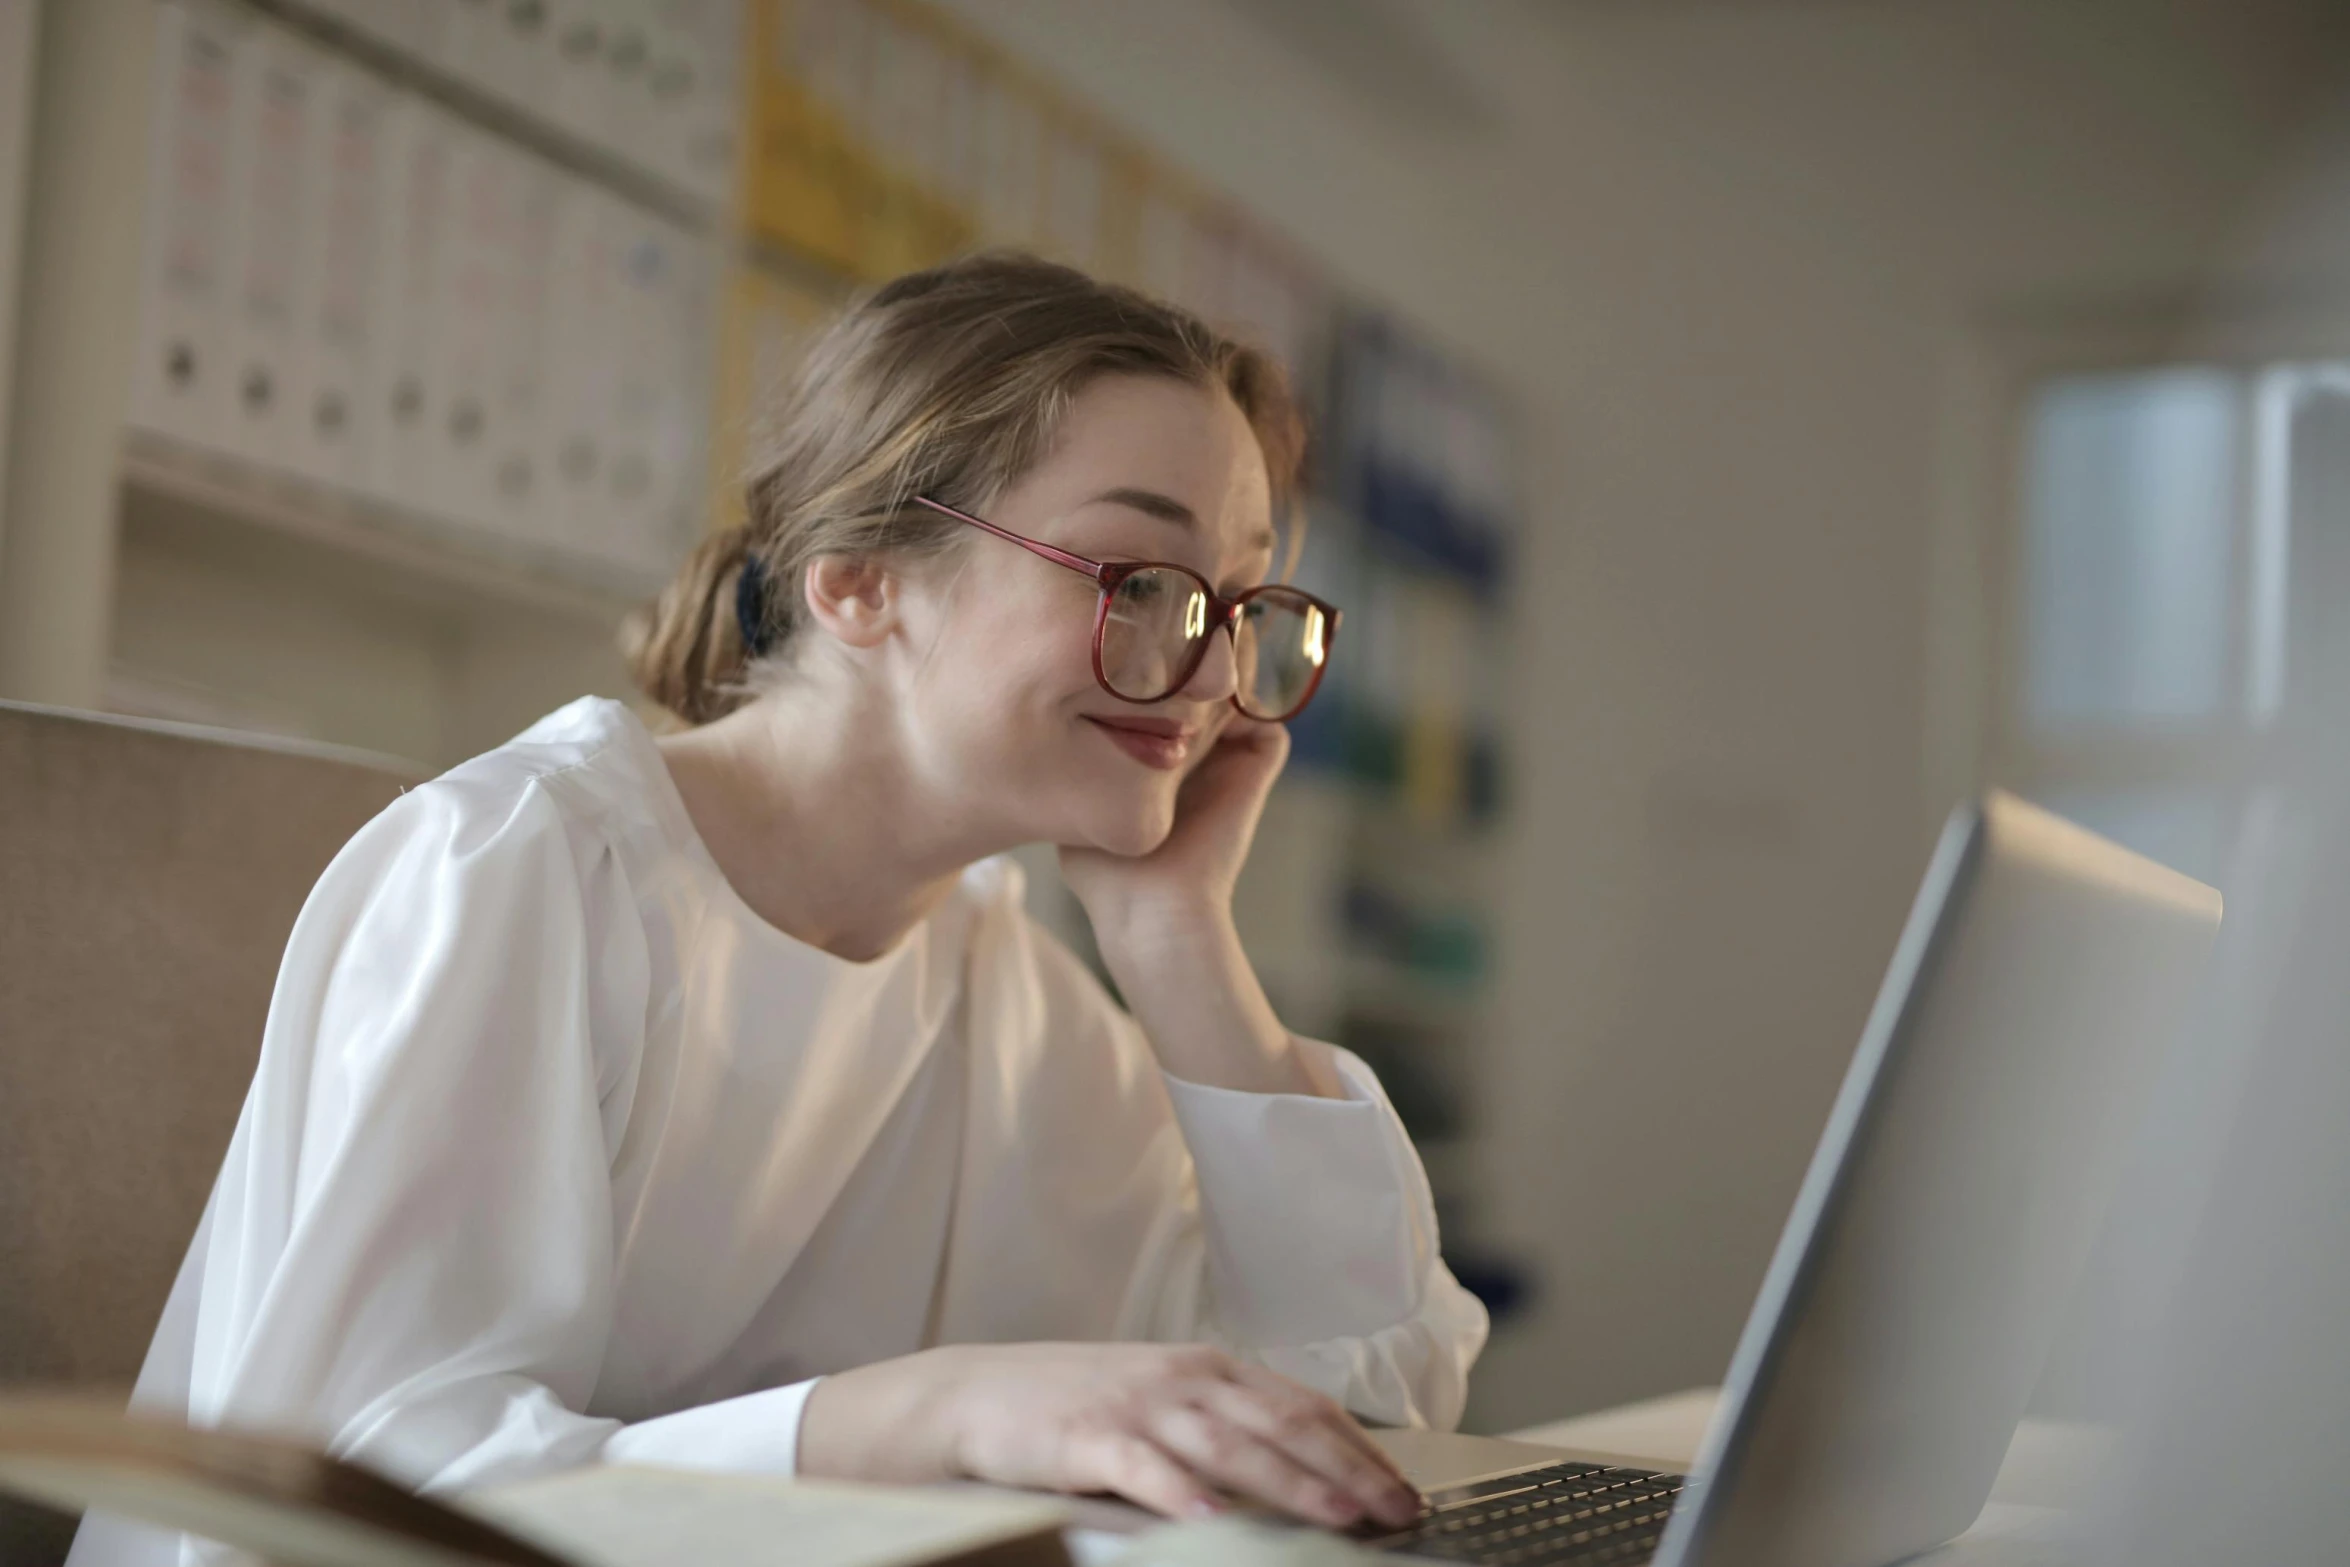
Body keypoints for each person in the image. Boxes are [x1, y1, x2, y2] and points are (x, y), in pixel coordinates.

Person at [72, 253, 1487, 1565]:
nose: (1205, 674)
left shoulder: (1018, 989)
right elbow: (363, 1494)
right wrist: (929, 1413)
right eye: (1144, 581)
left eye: (1239, 606)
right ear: (861, 582)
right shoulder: (526, 868)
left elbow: (1361, 1412)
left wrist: (1180, 941)